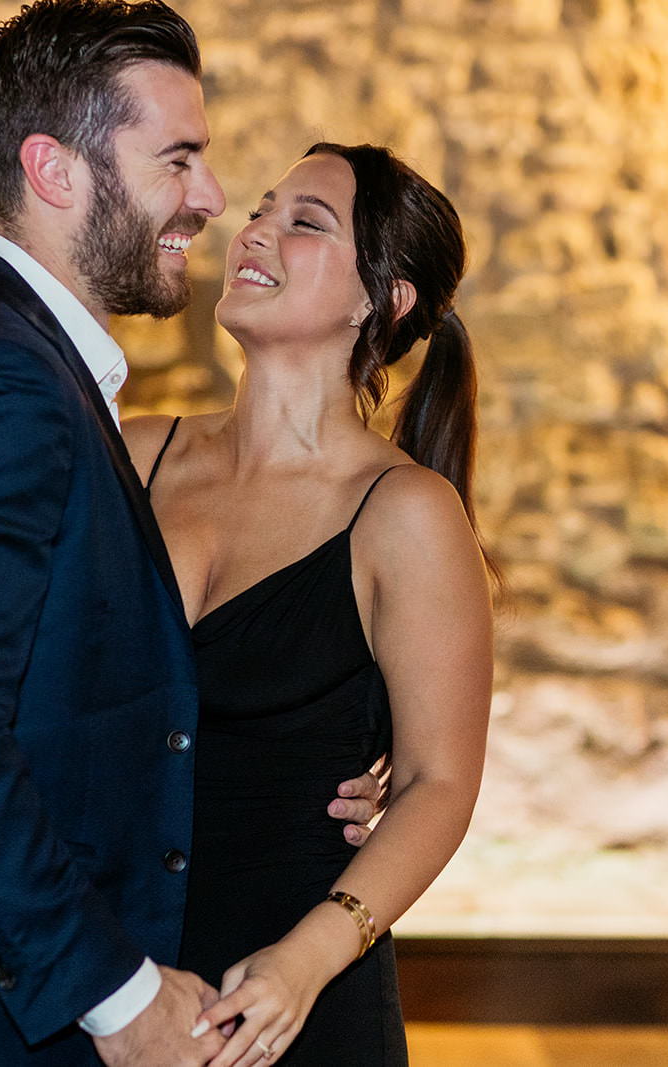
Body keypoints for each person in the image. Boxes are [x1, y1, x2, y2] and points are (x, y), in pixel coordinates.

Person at [0, 4, 379, 1066]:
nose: (208, 198)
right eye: (179, 159)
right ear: (54, 172)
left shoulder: (10, 360)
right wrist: (115, 995)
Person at [127, 143, 496, 1066]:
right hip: (111, 979)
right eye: (261, 208)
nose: (254, 230)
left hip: (289, 995)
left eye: (306, 221)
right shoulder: (132, 454)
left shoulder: (405, 513)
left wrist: (304, 960)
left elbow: (436, 784)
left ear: (386, 298)